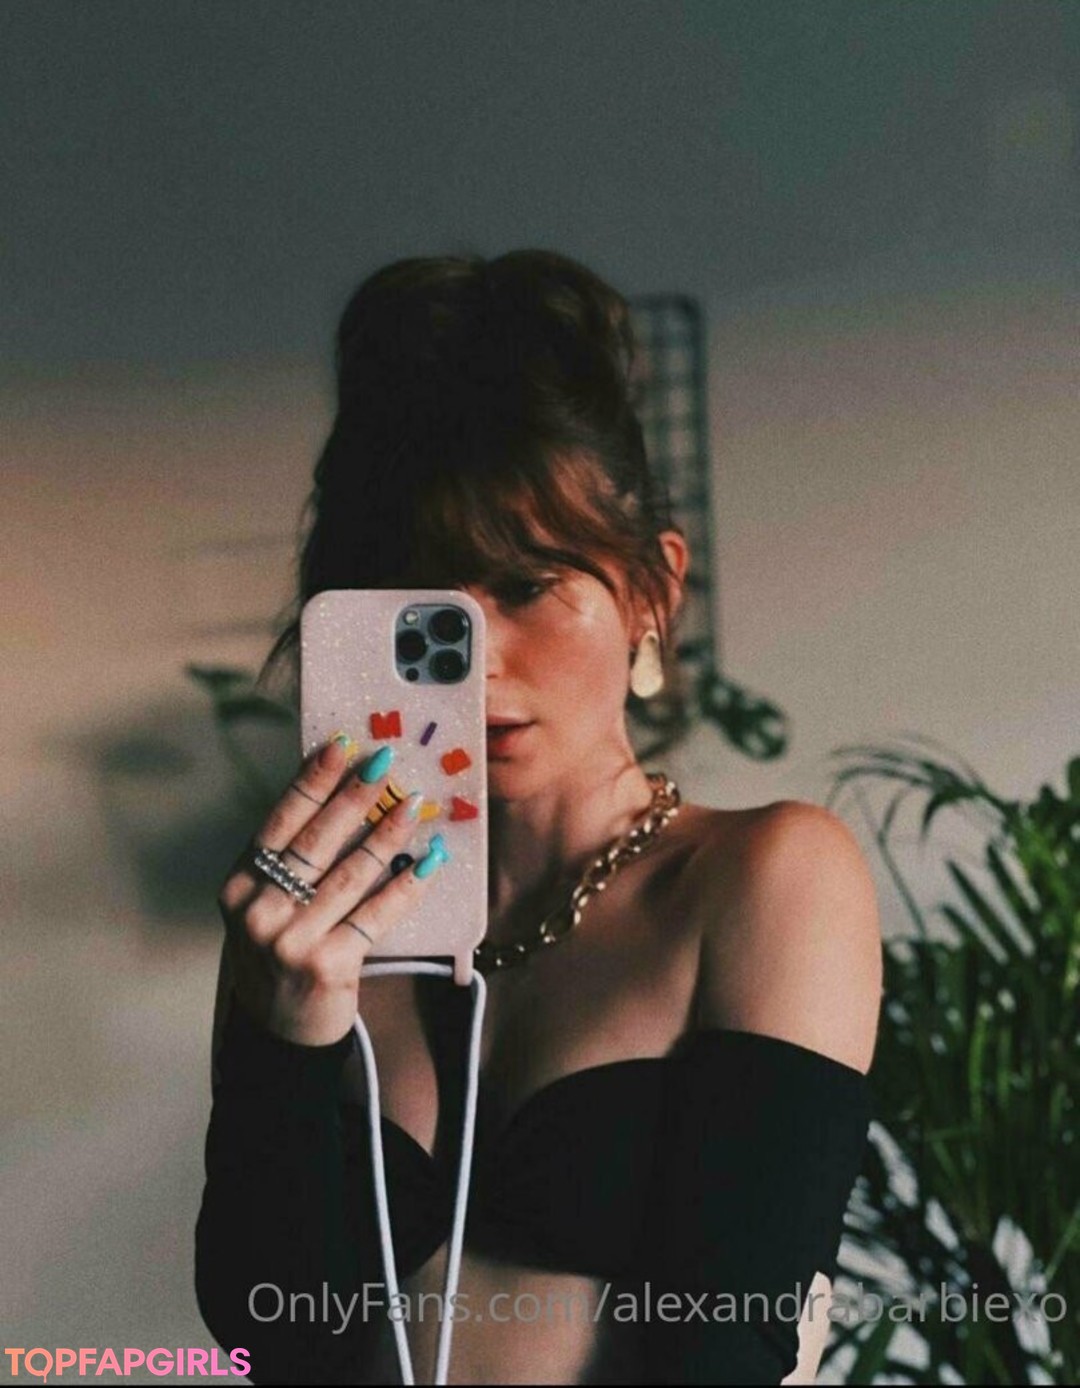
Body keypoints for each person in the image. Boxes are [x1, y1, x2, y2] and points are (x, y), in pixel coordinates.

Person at [194, 250, 883, 1385]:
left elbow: (731, 1341)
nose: (479, 663)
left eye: (524, 587)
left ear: (652, 590)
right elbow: (270, 1330)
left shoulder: (759, 876)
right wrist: (293, 1037)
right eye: (424, 607)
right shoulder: (307, 922)